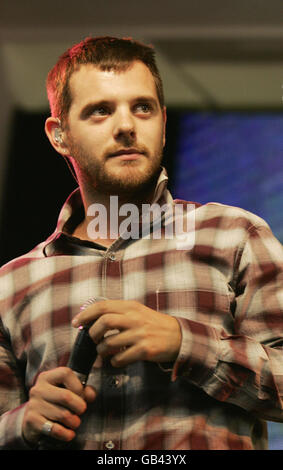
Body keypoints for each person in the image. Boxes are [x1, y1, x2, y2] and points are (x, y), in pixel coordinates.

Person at [0, 36, 283, 451]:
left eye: (142, 107)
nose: (127, 125)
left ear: (163, 122)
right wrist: (23, 422)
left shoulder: (235, 235)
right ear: (59, 135)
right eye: (100, 111)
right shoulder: (11, 285)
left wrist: (185, 344)